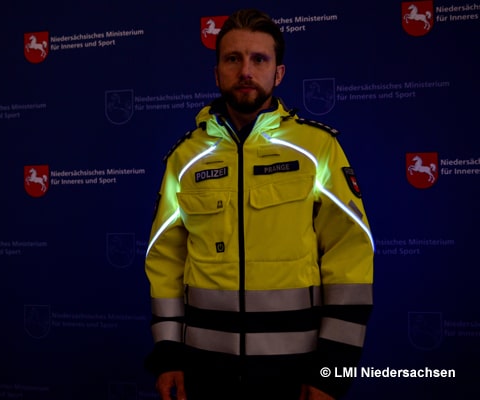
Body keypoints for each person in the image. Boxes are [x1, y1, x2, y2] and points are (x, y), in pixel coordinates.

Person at [144, 8, 374, 400]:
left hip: (295, 371)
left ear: (278, 73)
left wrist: (332, 369)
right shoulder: (185, 158)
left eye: (259, 59)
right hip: (203, 370)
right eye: (233, 59)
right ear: (217, 72)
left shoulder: (316, 148)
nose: (245, 71)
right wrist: (168, 354)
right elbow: (165, 257)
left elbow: (350, 252)